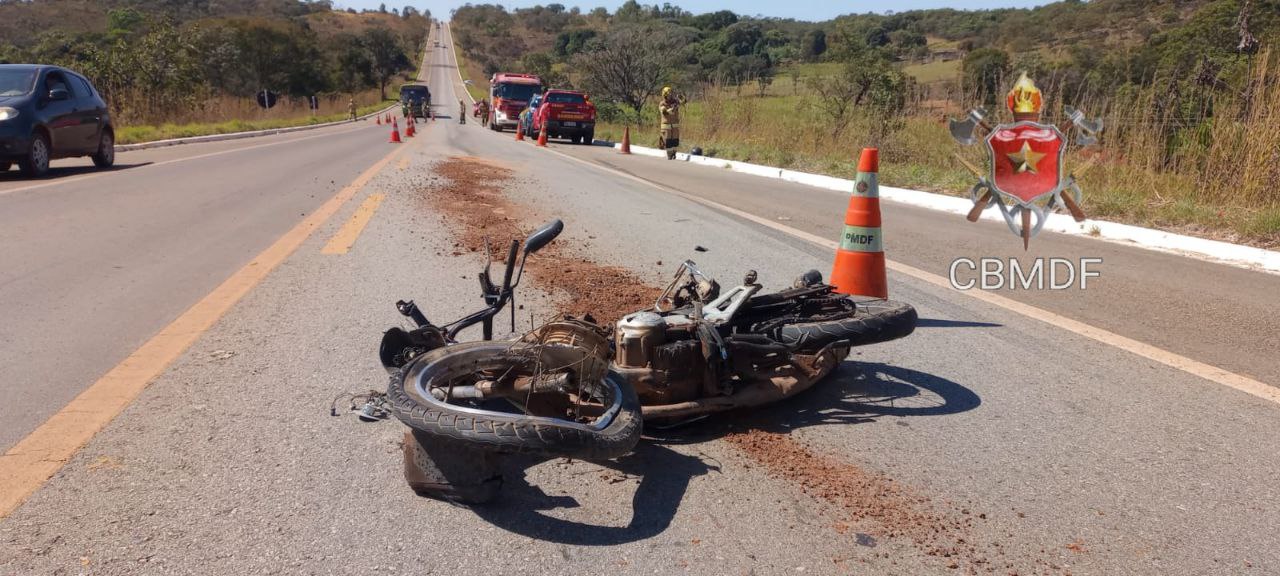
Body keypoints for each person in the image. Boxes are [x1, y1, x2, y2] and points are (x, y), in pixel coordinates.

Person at [658, 86, 685, 160]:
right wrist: (673, 108)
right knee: (668, 141)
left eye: (671, 94)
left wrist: (682, 98)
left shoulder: (675, 101)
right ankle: (669, 155)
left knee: (675, 141)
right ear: (665, 95)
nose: (671, 96)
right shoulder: (662, 104)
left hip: (675, 126)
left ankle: (674, 153)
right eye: (669, 95)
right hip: (666, 126)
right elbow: (665, 112)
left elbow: (683, 102)